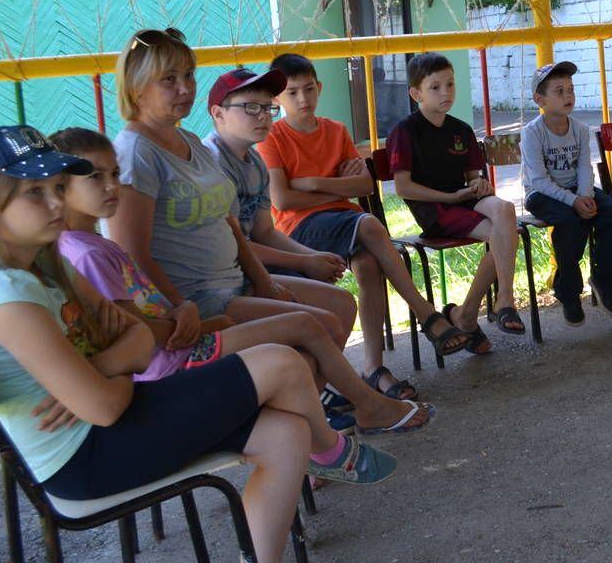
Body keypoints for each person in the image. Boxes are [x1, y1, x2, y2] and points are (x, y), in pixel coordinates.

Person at [0, 124, 398, 563]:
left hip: (104, 426)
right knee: (278, 361)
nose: (55, 201)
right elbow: (108, 403)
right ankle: (334, 450)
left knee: (284, 433)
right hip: (81, 460)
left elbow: (145, 334)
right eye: (34, 192)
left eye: (57, 186)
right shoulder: (5, 295)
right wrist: (122, 359)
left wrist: (112, 360)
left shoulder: (47, 265)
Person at [51, 126, 431, 435]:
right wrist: (192, 319)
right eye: (94, 177)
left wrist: (194, 317)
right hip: (171, 363)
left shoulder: (94, 244)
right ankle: (359, 411)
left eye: (115, 174)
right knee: (305, 327)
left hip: (183, 337)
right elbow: (135, 335)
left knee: (318, 326)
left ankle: (312, 436)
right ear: (60, 189)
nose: (111, 186)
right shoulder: (87, 254)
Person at [107, 29, 360, 365]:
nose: (185, 88)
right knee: (318, 325)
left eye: (188, 75)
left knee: (340, 305)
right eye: (169, 79)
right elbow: (131, 254)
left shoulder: (191, 142)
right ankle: (328, 403)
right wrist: (180, 306)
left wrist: (263, 279)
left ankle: (306, 402)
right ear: (137, 86)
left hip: (234, 280)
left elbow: (231, 225)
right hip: (196, 298)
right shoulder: (136, 153)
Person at [262, 52, 471, 378]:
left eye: (308, 89)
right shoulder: (272, 137)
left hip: (346, 220)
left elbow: (364, 184)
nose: (303, 98)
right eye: (292, 92)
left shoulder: (335, 130)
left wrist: (317, 183)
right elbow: (284, 199)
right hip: (300, 228)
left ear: (319, 87)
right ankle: (426, 314)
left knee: (369, 265)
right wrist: (340, 187)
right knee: (371, 223)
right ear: (277, 97)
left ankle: (374, 368)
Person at [384, 52, 523, 346]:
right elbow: (403, 187)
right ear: (415, 93)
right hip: (434, 209)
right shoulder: (405, 131)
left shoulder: (461, 129)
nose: (445, 92)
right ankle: (471, 313)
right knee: (506, 236)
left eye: (450, 84)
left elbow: (473, 177)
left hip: (463, 198)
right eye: (435, 87)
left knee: (505, 211)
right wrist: (450, 195)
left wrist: (480, 184)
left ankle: (501, 299)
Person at [200, 67, 348, 285]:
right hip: (218, 274)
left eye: (268, 107)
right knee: (332, 304)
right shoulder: (211, 162)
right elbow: (231, 244)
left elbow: (265, 232)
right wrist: (303, 262)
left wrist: (311, 256)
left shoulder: (256, 163)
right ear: (219, 113)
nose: (263, 115)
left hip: (247, 262)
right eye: (251, 107)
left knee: (335, 299)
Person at [520, 61, 612, 323]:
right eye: (559, 91)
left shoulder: (580, 130)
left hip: (577, 190)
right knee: (571, 223)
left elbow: (584, 168)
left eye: (570, 89)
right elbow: (538, 180)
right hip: (541, 193)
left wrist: (586, 195)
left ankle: (604, 281)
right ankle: (568, 293)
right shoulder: (532, 133)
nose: (568, 95)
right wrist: (574, 201)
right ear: (540, 99)